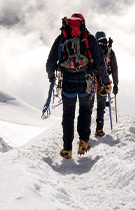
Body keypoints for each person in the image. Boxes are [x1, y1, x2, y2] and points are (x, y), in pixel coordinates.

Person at [46, 13, 110, 159]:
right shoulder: (88, 38)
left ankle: (67, 149)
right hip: (85, 82)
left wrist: (52, 78)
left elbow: (50, 62)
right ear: (82, 24)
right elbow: (100, 63)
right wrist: (106, 82)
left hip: (67, 81)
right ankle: (84, 142)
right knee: (85, 111)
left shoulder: (62, 38)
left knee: (68, 114)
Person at [92, 31, 119, 137]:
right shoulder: (110, 51)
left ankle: (85, 131)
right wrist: (115, 84)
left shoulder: (92, 49)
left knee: (88, 106)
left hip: (91, 80)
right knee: (101, 105)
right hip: (104, 81)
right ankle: (99, 130)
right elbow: (114, 68)